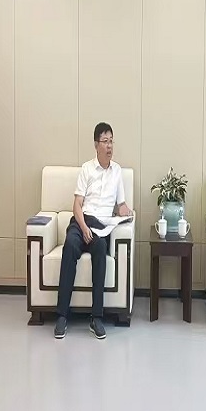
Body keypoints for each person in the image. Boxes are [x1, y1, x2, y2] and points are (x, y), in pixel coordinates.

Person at [54, 122, 132, 340]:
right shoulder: (87, 169)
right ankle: (62, 316)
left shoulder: (117, 171)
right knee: (70, 245)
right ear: (96, 145)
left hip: (101, 227)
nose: (109, 146)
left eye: (111, 141)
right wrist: (83, 227)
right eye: (105, 141)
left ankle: (96, 317)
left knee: (100, 249)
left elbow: (121, 205)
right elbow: (77, 205)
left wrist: (128, 212)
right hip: (82, 221)